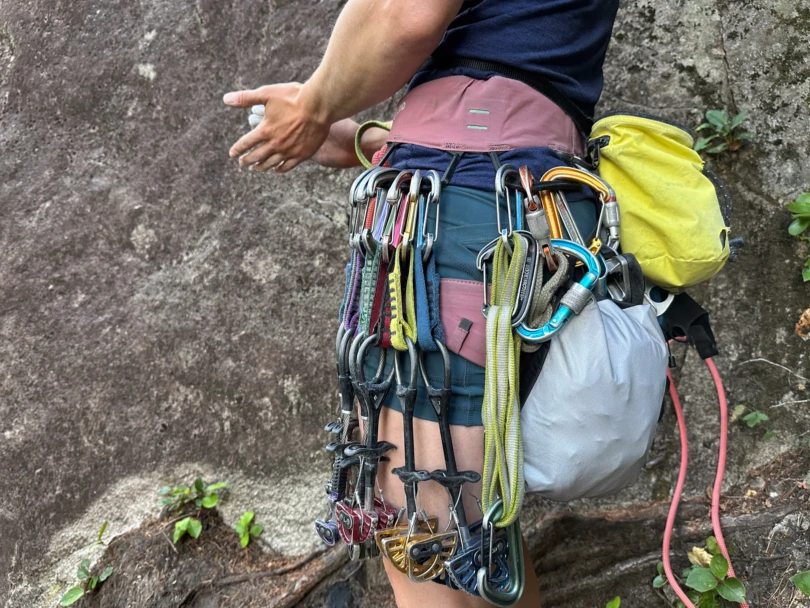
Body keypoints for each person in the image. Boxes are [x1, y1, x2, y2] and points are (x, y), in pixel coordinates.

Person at [224, 1, 619, 605]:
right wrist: (376, 141)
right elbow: (513, 81)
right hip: (518, 195)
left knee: (424, 531)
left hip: (459, 215)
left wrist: (314, 105)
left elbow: (404, 12)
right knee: (472, 544)